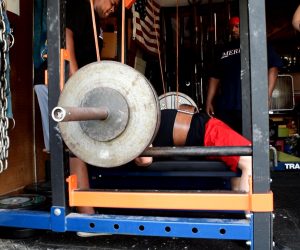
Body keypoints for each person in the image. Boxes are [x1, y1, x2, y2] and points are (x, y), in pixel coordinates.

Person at [65, 0, 120, 218]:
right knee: (75, 144)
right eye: (112, 2)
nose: (113, 7)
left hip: (83, 87)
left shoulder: (95, 20)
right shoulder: (80, 7)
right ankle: (86, 215)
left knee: (83, 142)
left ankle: (89, 208)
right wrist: (75, 79)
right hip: (70, 84)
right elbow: (65, 37)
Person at [135, 109, 252, 193]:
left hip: (205, 128)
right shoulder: (137, 128)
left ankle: (241, 213)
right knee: (248, 160)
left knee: (246, 161)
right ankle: (248, 216)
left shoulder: (143, 120)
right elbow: (145, 160)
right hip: (206, 131)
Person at [205, 16, 283, 134]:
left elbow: (273, 67)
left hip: (250, 105)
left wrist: (267, 95)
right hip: (226, 107)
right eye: (232, 27)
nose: (233, 30)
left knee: (250, 144)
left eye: (237, 26)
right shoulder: (223, 49)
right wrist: (209, 100)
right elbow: (215, 75)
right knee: (227, 142)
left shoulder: (258, 44)